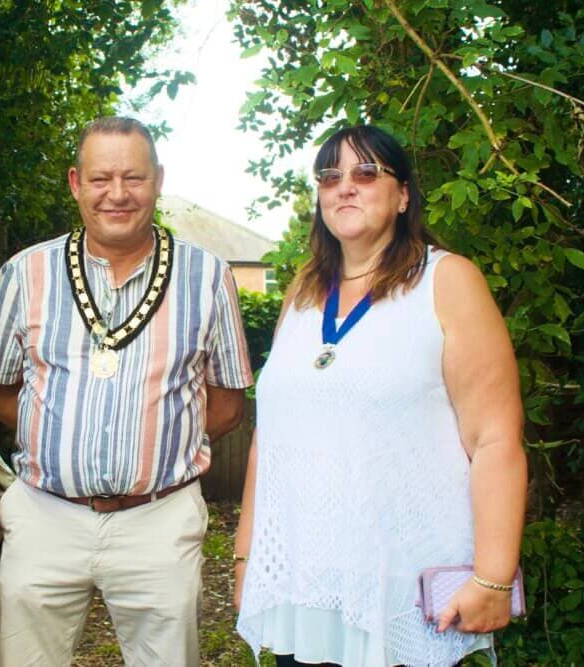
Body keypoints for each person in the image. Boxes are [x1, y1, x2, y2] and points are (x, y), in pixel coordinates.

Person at [234, 125, 527, 666]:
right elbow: (267, 442)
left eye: (366, 173)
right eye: (330, 176)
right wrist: (247, 559)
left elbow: (494, 439)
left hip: (403, 593)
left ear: (404, 195)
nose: (345, 186)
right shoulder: (301, 295)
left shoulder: (446, 281)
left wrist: (493, 577)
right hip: (305, 590)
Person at [0, 116, 254, 666]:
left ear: (158, 181)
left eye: (134, 178)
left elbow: (227, 404)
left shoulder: (207, 275)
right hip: (44, 517)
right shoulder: (25, 273)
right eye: (102, 179)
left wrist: (155, 443)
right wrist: (56, 436)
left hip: (158, 520)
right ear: (76, 183)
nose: (118, 194)